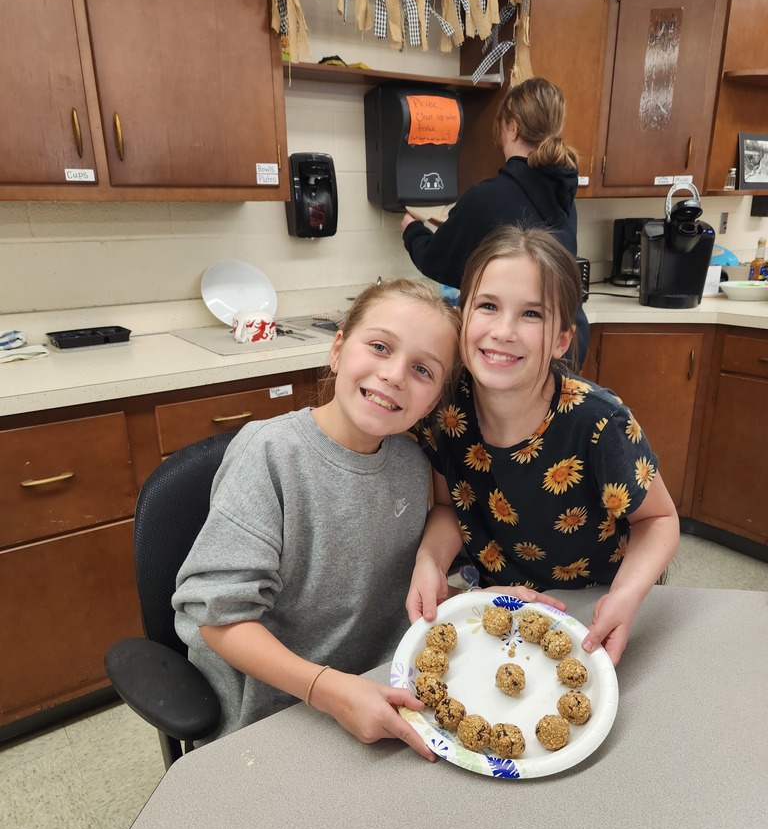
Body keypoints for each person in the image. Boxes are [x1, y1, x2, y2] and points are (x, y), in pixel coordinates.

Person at [173, 278, 560, 758]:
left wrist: (464, 600)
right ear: (338, 349)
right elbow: (218, 618)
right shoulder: (269, 455)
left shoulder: (412, 461)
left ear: (433, 401)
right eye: (379, 347)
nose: (395, 375)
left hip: (383, 685)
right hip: (279, 712)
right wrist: (328, 690)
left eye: (422, 369)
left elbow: (425, 532)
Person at [406, 227, 680, 666]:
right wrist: (431, 561)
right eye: (488, 306)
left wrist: (625, 597)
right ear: (462, 315)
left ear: (561, 340)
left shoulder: (598, 422)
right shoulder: (444, 412)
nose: (503, 331)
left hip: (593, 608)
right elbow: (446, 508)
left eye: (531, 314)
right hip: (501, 605)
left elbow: (659, 520)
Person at [401, 76, 590, 367]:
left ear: (513, 126)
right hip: (562, 339)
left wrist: (412, 230)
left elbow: (437, 261)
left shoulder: (486, 197)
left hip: (520, 345)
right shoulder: (563, 195)